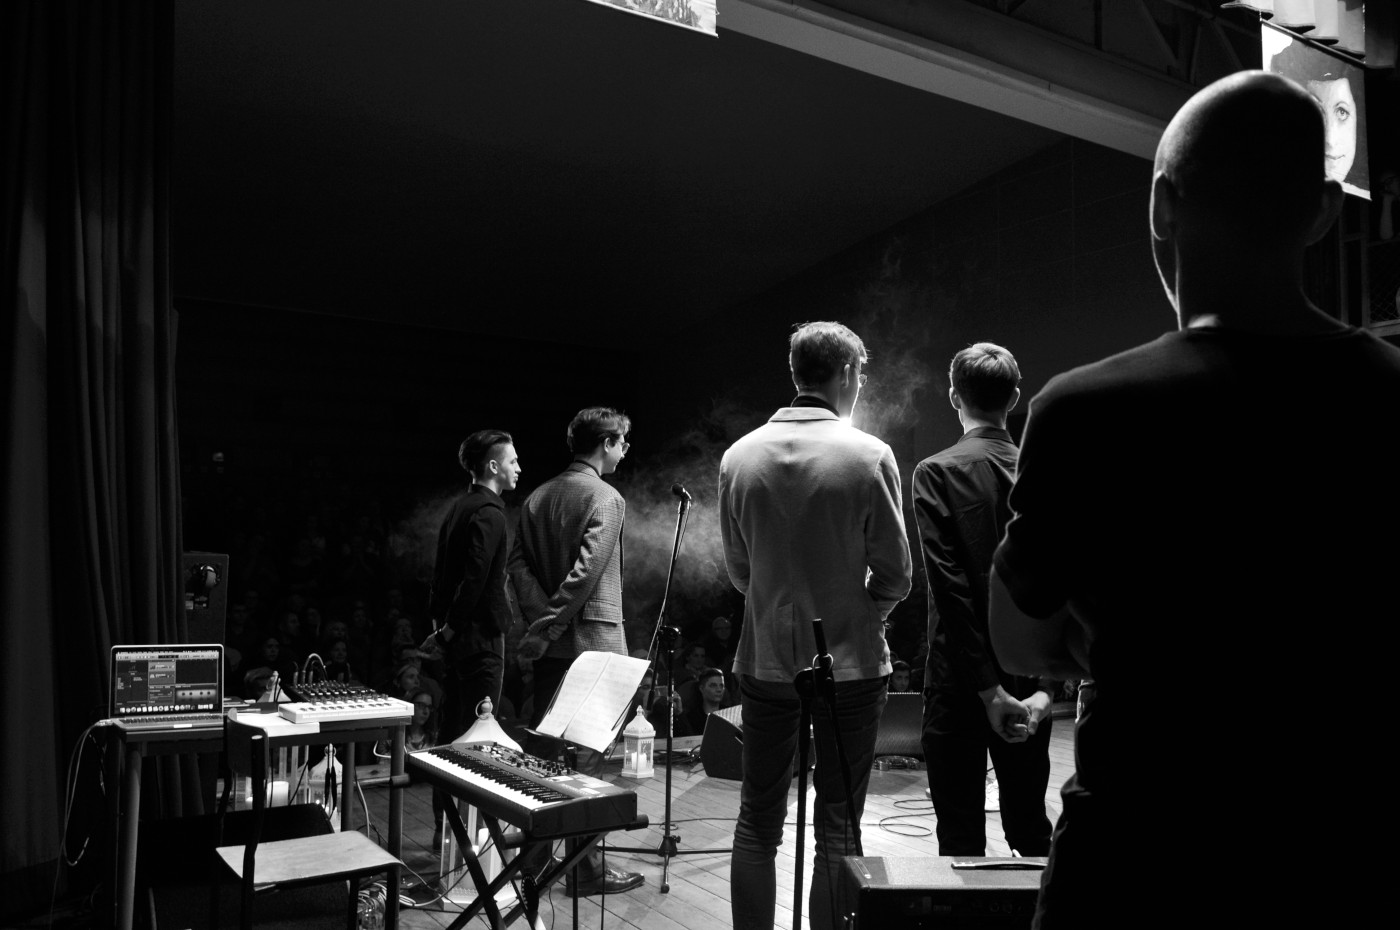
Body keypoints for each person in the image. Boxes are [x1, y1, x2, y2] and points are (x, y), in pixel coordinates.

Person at [987, 71, 1400, 929]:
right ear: (1325, 212)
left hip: (1137, 864)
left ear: (1163, 207)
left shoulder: (1083, 408)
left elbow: (1020, 638)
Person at [719, 321, 912, 930]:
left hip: (765, 658)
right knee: (837, 828)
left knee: (757, 821)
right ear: (848, 373)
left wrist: (782, 602)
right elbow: (897, 573)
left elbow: (740, 571)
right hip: (849, 664)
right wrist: (863, 612)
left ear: (796, 372)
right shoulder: (869, 455)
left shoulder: (738, 456)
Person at [912, 342, 1053, 859]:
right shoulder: (1046, 472)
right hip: (1028, 676)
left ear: (954, 396)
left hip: (958, 679)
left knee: (960, 839)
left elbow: (949, 589)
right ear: (1014, 398)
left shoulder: (935, 472)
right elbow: (1062, 587)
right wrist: (1045, 690)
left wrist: (988, 692)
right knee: (1032, 832)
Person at [508, 406, 644, 898]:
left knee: (543, 754)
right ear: (606, 443)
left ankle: (532, 863)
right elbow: (587, 573)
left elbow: (517, 566)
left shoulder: (538, 496)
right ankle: (585, 872)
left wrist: (541, 625)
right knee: (587, 760)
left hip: (552, 647)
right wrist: (551, 625)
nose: (625, 451)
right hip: (594, 644)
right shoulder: (606, 496)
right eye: (622, 442)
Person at [422, 430, 520, 744]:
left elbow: (440, 577)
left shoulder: (459, 507)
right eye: (513, 461)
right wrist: (447, 631)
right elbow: (474, 579)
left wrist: (442, 630)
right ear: (493, 466)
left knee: (452, 726)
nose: (519, 468)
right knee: (477, 733)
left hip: (458, 639)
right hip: (480, 639)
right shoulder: (490, 513)